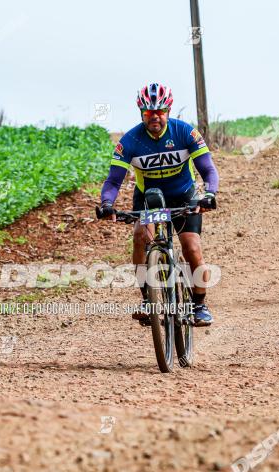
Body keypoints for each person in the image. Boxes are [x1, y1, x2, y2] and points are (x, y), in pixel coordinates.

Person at [97, 83, 220, 326]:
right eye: (149, 113)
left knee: (191, 247)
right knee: (141, 237)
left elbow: (207, 169)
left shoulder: (185, 132)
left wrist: (210, 194)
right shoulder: (130, 140)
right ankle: (147, 299)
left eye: (161, 111)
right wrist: (107, 203)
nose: (155, 117)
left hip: (183, 195)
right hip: (149, 199)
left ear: (168, 110)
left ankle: (199, 304)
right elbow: (113, 180)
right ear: (141, 112)